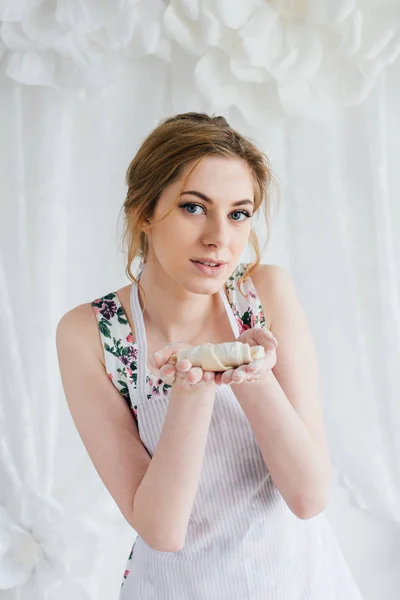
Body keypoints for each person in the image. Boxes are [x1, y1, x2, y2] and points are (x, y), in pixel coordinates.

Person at [56, 112, 364, 599]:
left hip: (301, 583)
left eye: (239, 213)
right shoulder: (93, 334)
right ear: (144, 210)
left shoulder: (265, 296)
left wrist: (252, 373)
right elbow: (162, 530)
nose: (219, 237)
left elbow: (308, 497)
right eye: (194, 208)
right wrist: (192, 388)